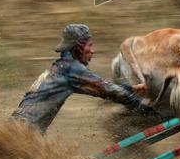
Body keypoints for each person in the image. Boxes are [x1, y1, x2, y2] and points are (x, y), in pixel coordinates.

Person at [11, 24, 154, 133]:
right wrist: (142, 108)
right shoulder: (72, 69)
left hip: (18, 129)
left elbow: (102, 86)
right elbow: (108, 90)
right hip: (25, 132)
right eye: (89, 45)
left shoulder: (59, 68)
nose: (93, 50)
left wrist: (130, 89)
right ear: (78, 47)